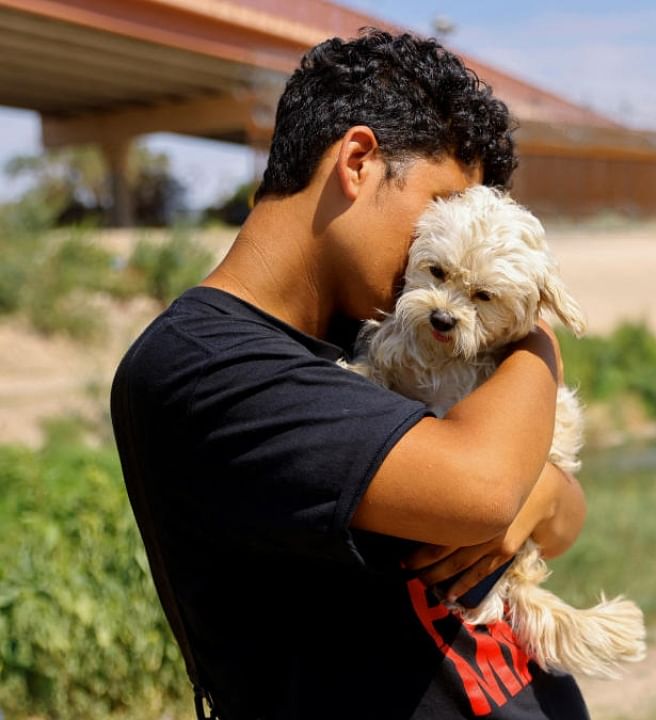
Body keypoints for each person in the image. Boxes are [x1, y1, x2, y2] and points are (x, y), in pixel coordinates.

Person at [110, 29, 590, 719]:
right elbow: (484, 488)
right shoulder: (200, 367)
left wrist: (536, 489)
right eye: (444, 204)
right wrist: (539, 337)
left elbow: (563, 513)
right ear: (359, 161)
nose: (449, 239)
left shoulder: (382, 330)